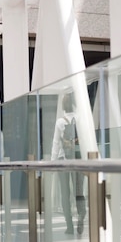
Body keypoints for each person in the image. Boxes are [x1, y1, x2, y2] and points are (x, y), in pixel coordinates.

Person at [51, 94, 85, 234]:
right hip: (78, 161)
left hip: (63, 161)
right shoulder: (81, 119)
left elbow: (56, 143)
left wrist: (53, 162)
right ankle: (81, 214)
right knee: (79, 191)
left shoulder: (60, 122)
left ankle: (69, 225)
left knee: (65, 193)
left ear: (64, 106)